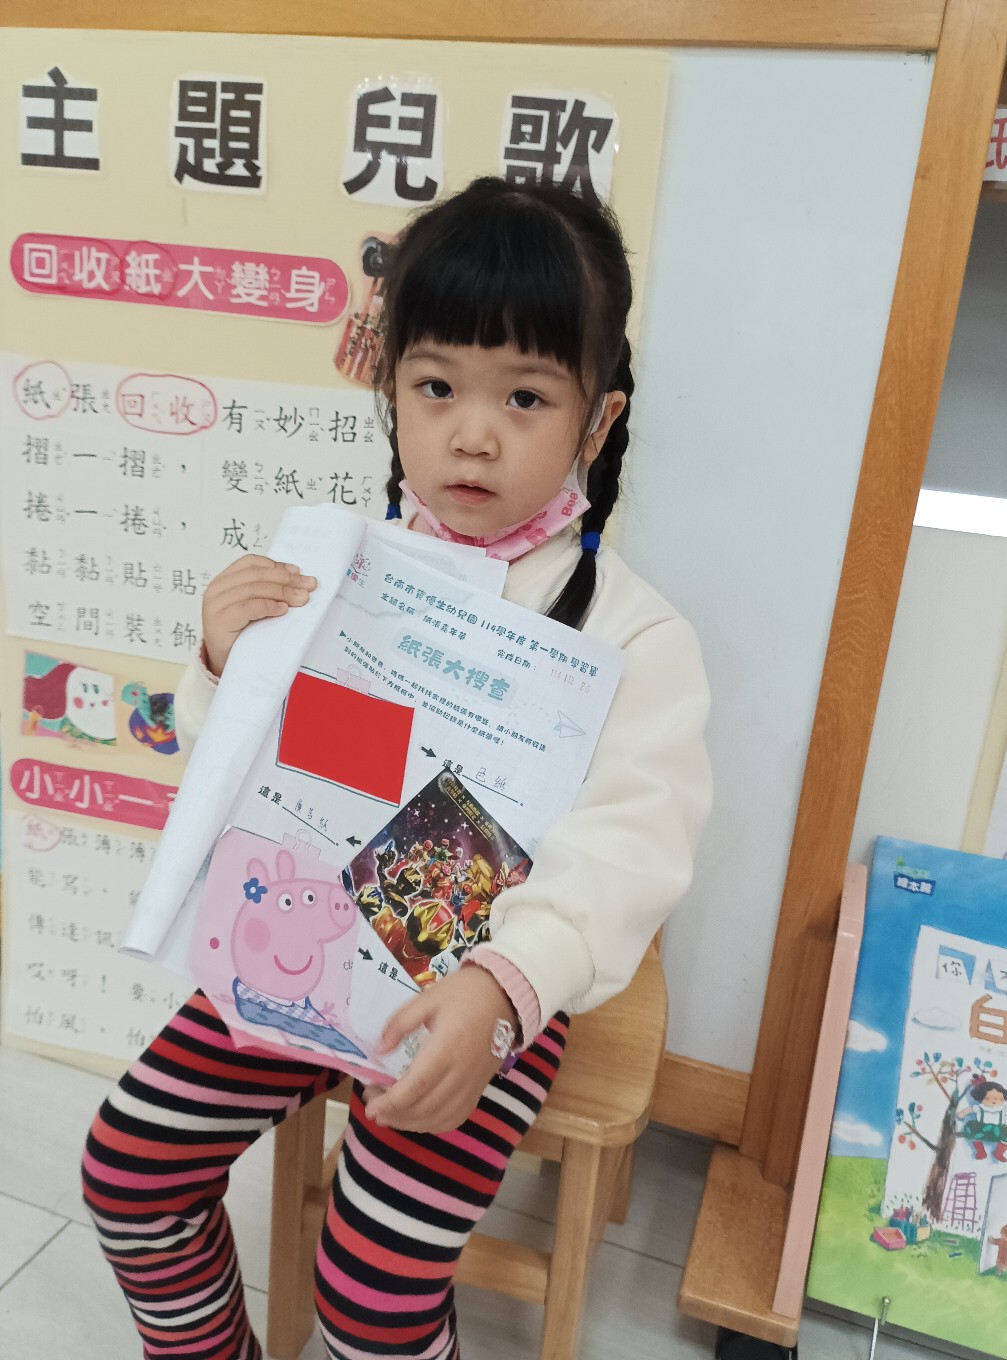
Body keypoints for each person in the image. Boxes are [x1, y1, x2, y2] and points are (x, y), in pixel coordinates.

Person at [81, 176, 712, 1360]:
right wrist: (223, 663)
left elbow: (625, 851)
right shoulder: (336, 568)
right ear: (391, 392)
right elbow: (241, 778)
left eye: (524, 395)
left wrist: (503, 989)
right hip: (302, 937)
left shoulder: (633, 635)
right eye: (436, 387)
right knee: (127, 1170)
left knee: (373, 1285)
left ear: (597, 419)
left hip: (480, 987)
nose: (473, 433)